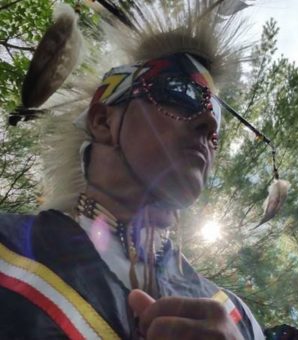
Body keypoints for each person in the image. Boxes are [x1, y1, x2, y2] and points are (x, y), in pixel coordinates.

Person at [0, 1, 265, 339]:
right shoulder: (9, 255)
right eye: (180, 92)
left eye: (216, 112)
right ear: (102, 121)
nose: (208, 122)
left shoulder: (239, 319)